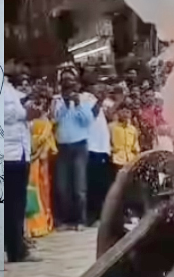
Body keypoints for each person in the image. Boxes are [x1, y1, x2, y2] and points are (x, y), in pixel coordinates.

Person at [2, 69, 36, 262]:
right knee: (9, 205)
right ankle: (12, 249)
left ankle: (17, 248)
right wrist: (25, 113)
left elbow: (25, 104)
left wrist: (33, 102)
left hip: (21, 152)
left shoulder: (11, 89)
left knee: (17, 205)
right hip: (5, 154)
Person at [52, 79, 95, 230]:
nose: (69, 92)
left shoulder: (84, 101)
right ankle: (65, 220)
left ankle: (80, 220)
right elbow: (55, 118)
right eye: (66, 89)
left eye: (71, 88)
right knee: (62, 186)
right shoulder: (57, 102)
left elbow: (87, 121)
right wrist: (64, 103)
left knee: (79, 187)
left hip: (79, 146)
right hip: (62, 147)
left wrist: (77, 105)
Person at [26, 98, 57, 238]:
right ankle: (36, 225)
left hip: (38, 161)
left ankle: (40, 223)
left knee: (40, 191)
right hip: (33, 160)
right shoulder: (34, 124)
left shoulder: (44, 124)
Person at [83, 82, 113, 225]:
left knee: (103, 184)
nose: (101, 88)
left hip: (103, 149)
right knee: (93, 184)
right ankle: (91, 216)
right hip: (92, 148)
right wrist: (100, 100)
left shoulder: (99, 101)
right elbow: (90, 115)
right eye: (97, 85)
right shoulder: (84, 98)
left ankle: (102, 215)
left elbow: (110, 114)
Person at [110, 106, 141, 171]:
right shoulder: (111, 127)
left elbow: (135, 146)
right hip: (116, 161)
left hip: (130, 162)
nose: (125, 114)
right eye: (123, 112)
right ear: (118, 112)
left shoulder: (133, 129)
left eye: (128, 112)